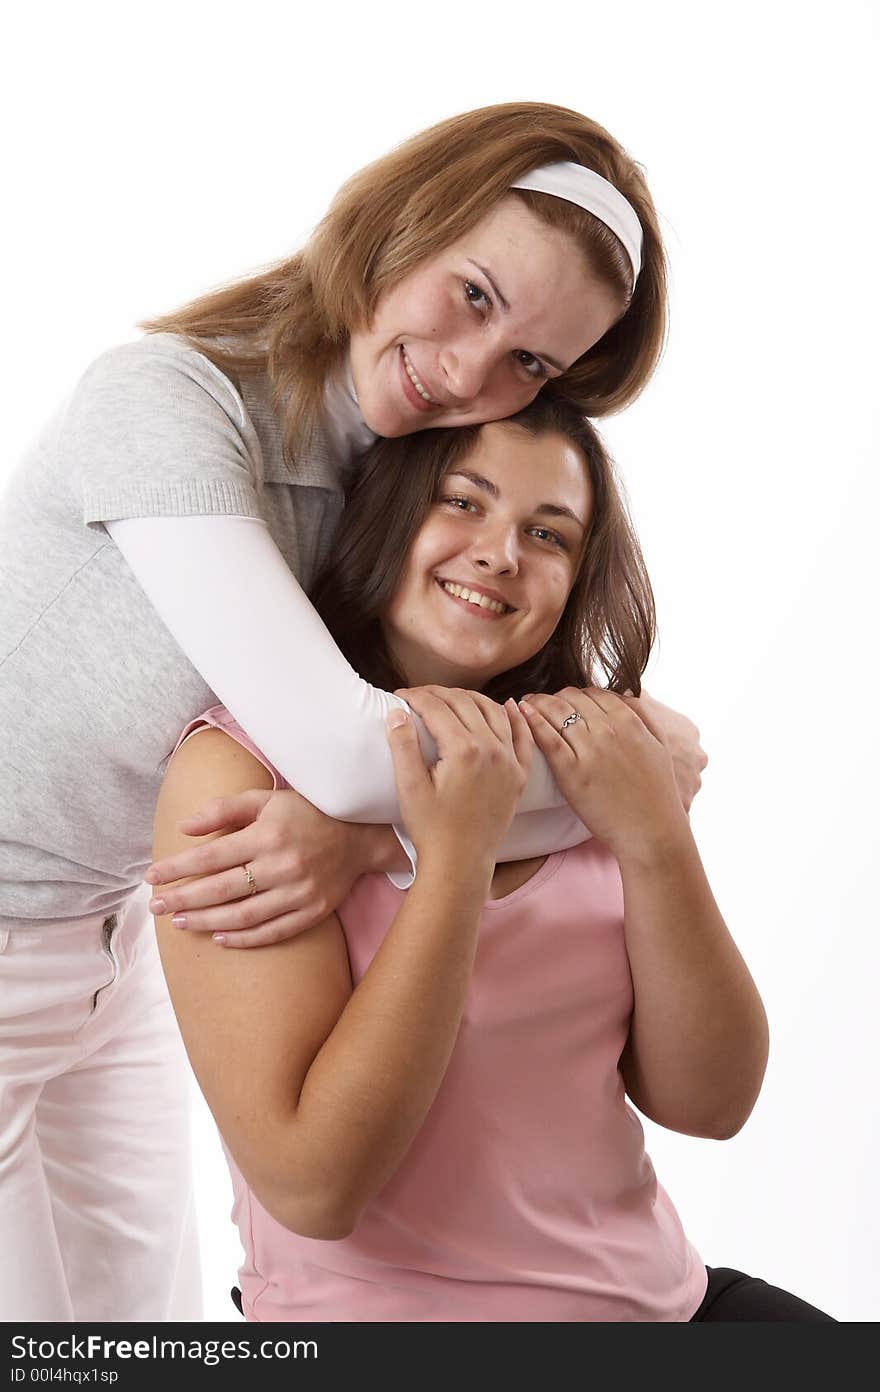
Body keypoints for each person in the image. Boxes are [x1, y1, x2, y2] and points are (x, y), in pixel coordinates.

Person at [0, 102, 707, 1322]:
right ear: (397, 222)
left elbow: (380, 769)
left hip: (111, 937)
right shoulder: (162, 404)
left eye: (532, 363)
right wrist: (622, 784)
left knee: (135, 1333)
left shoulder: (392, 472)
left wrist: (378, 832)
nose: (473, 372)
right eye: (475, 296)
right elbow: (342, 751)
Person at [153, 398, 835, 1322]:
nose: (500, 554)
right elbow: (315, 1189)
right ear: (385, 510)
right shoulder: (240, 776)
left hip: (665, 1306)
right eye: (461, 502)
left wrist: (656, 839)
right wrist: (452, 859)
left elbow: (711, 1104)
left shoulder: (586, 757)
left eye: (548, 534)